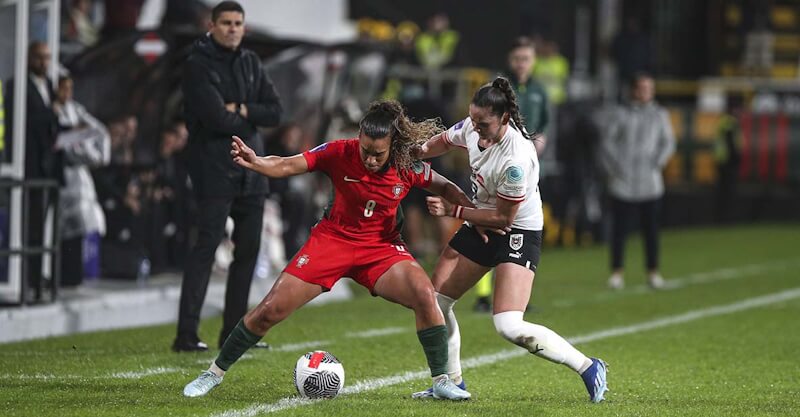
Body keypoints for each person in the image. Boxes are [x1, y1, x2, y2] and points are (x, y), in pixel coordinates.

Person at [181, 100, 474, 401]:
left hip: (380, 248)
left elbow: (446, 186)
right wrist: (256, 162)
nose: (371, 160)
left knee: (425, 294)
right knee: (270, 310)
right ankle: (213, 373)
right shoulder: (339, 152)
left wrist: (470, 212)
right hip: (332, 242)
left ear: (393, 145)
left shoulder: (406, 164)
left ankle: (441, 379)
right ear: (359, 136)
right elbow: (287, 164)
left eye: (378, 154)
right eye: (366, 151)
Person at [411, 77, 608, 403]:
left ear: (504, 118)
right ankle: (452, 382)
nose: (476, 128)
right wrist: (418, 151)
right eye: (473, 120)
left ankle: (589, 367)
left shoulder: (516, 160)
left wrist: (454, 210)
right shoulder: (474, 127)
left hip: (517, 231)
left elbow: (504, 219)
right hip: (481, 221)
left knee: (508, 324)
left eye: (483, 122)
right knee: (436, 301)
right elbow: (444, 141)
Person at [174, 1, 283, 352]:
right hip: (213, 168)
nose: (233, 28)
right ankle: (186, 334)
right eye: (226, 23)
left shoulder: (250, 62)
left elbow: (276, 111)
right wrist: (248, 117)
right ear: (212, 24)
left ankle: (234, 334)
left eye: (238, 23)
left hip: (252, 171)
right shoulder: (197, 63)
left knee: (248, 251)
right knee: (206, 246)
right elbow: (215, 119)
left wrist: (241, 109)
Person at [474, 36, 551, 313]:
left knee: (517, 227)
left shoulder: (540, 91)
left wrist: (532, 155)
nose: (521, 64)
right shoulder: (497, 90)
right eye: (517, 59)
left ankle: (516, 294)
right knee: (486, 224)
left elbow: (543, 128)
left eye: (526, 59)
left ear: (533, 61)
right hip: (495, 164)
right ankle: (483, 295)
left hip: (522, 170)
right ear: (510, 60)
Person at [598, 74, 675, 290]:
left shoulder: (660, 115)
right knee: (619, 231)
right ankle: (616, 272)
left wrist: (656, 164)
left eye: (649, 88)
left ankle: (653, 271)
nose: (645, 92)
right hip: (623, 183)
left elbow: (668, 142)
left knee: (651, 231)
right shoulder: (621, 114)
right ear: (633, 90)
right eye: (641, 88)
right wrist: (615, 168)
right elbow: (607, 142)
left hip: (650, 184)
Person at [5, 41, 62, 300]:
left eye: (47, 57)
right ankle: (27, 281)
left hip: (48, 170)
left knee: (43, 229)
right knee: (30, 227)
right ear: (28, 58)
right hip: (29, 169)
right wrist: (53, 112)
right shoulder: (17, 86)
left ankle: (39, 280)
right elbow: (28, 122)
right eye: (39, 57)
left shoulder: (49, 86)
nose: (44, 63)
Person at [53, 74, 111, 286]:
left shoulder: (75, 110)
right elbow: (67, 147)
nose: (67, 93)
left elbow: (99, 131)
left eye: (70, 88)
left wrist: (96, 155)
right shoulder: (54, 111)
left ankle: (72, 275)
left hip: (78, 183)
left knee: (78, 230)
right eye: (63, 88)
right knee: (61, 230)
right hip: (63, 180)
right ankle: (61, 275)